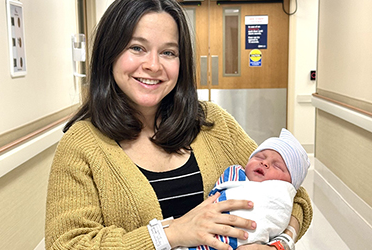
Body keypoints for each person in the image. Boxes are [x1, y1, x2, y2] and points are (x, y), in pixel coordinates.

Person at [45, 0, 312, 250]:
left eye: (168, 52)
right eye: (137, 47)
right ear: (110, 53)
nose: (153, 65)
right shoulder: (82, 144)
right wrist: (170, 232)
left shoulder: (213, 124)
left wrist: (279, 244)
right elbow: (67, 244)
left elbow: (296, 198)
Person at [176, 128, 310, 250]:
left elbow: (299, 198)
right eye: (259, 157)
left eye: (277, 166)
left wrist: (280, 245)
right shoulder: (236, 176)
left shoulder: (219, 125)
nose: (264, 162)